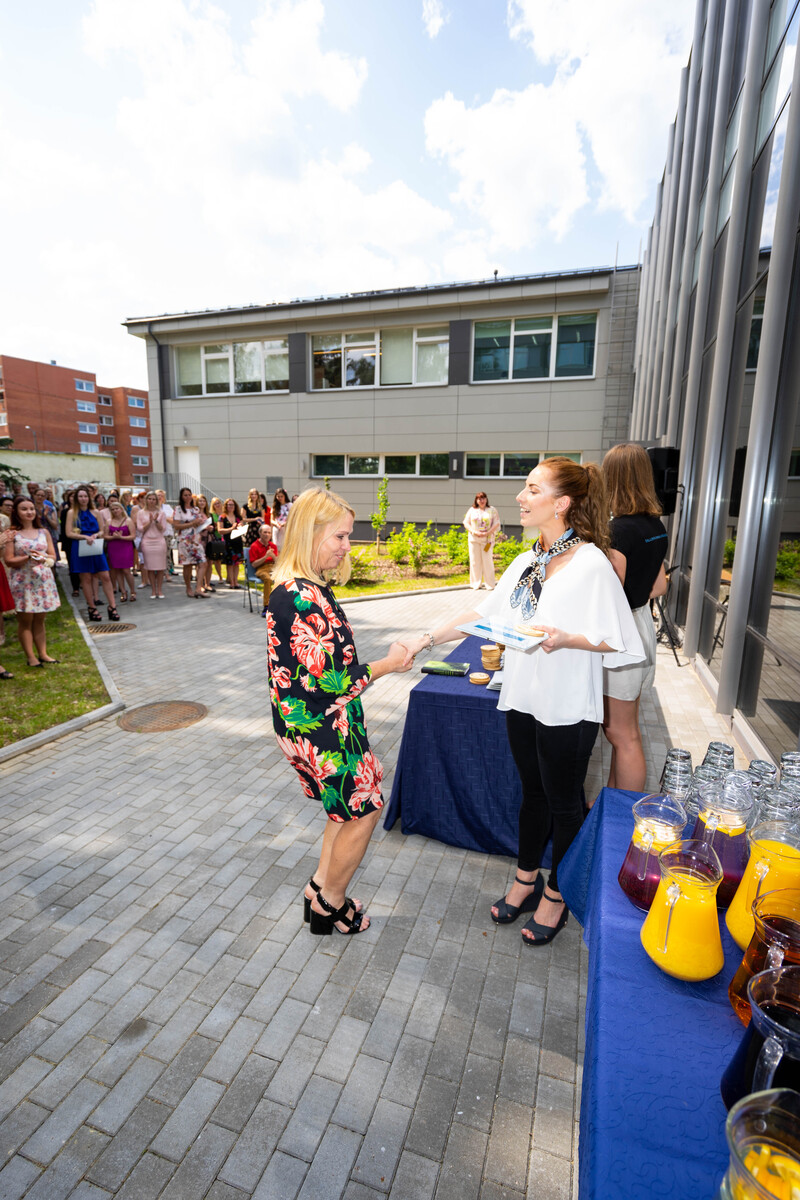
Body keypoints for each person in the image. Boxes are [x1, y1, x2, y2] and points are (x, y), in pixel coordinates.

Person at [402, 458, 644, 946]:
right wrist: (424, 640)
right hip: (521, 696)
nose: (520, 497)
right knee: (532, 794)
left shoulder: (592, 563)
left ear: (563, 503)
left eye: (532, 489)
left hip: (566, 703)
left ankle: (558, 893)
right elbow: (480, 614)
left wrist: (567, 638)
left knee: (564, 804)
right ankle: (525, 878)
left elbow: (618, 638)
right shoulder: (526, 561)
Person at [268, 487, 411, 935]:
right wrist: (390, 663)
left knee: (344, 809)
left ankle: (318, 890)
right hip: (321, 726)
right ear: (310, 533)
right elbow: (332, 682)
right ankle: (332, 903)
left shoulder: (305, 588)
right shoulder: (299, 596)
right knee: (364, 811)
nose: (348, 546)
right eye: (340, 536)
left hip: (324, 722)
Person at [601, 443, 669, 792]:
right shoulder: (656, 525)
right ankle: (610, 801)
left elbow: (608, 597)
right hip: (641, 625)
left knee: (621, 734)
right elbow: (660, 586)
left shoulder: (618, 531)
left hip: (622, 637)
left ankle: (623, 812)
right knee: (625, 731)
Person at [2, 495, 60, 666]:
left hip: (42, 580)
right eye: (24, 509)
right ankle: (31, 657)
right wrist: (27, 558)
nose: (29, 512)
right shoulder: (12, 534)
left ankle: (43, 653)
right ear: (16, 512)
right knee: (25, 621)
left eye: (32, 509)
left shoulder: (44, 532)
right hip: (23, 582)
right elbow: (9, 560)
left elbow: (53, 556)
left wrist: (44, 557)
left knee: (40, 620)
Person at [66, 486, 118, 621]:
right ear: (76, 498)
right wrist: (84, 537)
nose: (83, 499)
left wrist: (96, 535)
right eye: (80, 496)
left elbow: (102, 530)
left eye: (85, 496)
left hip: (95, 545)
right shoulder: (71, 513)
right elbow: (68, 533)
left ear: (89, 498)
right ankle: (92, 607)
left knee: (105, 576)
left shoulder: (96, 512)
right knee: (86, 579)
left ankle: (112, 606)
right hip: (80, 546)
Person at [172, 486, 208, 599]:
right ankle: (188, 588)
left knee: (203, 563)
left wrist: (203, 524)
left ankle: (198, 588)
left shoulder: (196, 509)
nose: (188, 497)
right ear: (181, 497)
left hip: (196, 539)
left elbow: (197, 524)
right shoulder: (178, 509)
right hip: (184, 540)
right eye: (185, 495)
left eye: (189, 495)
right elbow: (176, 526)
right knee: (187, 565)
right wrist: (191, 523)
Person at [463, 491, 501, 590]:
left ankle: (490, 584)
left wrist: (488, 533)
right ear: (476, 500)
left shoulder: (492, 510)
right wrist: (474, 532)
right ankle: (476, 584)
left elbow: (496, 523)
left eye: (483, 498)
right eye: (479, 499)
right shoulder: (472, 510)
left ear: (486, 499)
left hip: (487, 540)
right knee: (475, 562)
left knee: (488, 562)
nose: (482, 500)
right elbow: (466, 523)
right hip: (474, 540)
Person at [137, 491, 169, 599]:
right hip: (147, 541)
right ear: (146, 500)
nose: (151, 501)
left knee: (160, 567)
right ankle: (153, 590)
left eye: (153, 499)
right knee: (150, 567)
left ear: (156, 501)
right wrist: (149, 522)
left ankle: (159, 590)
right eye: (149, 499)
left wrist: (156, 521)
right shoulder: (141, 513)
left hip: (159, 541)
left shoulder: (161, 513)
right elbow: (140, 529)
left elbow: (163, 529)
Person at [105, 499, 136, 603]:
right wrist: (113, 537)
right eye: (113, 509)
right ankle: (123, 592)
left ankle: (133, 591)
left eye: (117, 508)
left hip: (125, 547)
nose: (115, 511)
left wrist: (121, 537)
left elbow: (133, 536)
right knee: (117, 570)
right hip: (113, 547)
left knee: (126, 570)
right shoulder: (109, 521)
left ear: (121, 509)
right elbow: (105, 536)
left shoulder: (128, 521)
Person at [249, 523, 277, 615]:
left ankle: (280, 604)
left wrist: (273, 556)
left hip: (273, 567)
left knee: (284, 578)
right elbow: (254, 564)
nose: (267, 534)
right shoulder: (254, 546)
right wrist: (265, 557)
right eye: (265, 532)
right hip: (261, 568)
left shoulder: (273, 546)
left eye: (269, 533)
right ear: (260, 533)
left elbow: (278, 562)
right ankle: (267, 606)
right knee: (268, 579)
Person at [218, 498, 243, 589]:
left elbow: (241, 527)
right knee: (230, 564)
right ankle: (231, 582)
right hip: (228, 543)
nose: (231, 506)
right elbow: (220, 530)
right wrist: (231, 529)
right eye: (229, 505)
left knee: (237, 563)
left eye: (232, 505)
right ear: (226, 506)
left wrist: (240, 526)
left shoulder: (238, 517)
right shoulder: (222, 517)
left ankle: (236, 582)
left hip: (238, 542)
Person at [194, 494, 216, 593]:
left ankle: (208, 583)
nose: (202, 503)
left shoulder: (209, 514)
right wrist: (204, 527)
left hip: (209, 540)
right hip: (199, 540)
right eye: (200, 501)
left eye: (203, 501)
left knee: (209, 562)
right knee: (201, 563)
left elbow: (213, 527)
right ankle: (200, 584)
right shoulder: (195, 514)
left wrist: (211, 528)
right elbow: (194, 527)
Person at [208, 497, 226, 584]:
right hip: (216, 538)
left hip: (225, 537)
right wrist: (217, 526)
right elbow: (211, 526)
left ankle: (228, 577)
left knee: (225, 559)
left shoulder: (225, 514)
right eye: (215, 504)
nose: (217, 505)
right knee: (216, 559)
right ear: (213, 505)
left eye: (218, 503)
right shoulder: (212, 515)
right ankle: (219, 577)